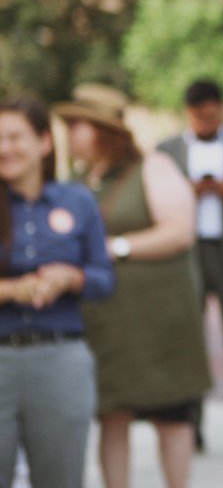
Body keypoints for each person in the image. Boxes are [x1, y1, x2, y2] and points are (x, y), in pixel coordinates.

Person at [54, 84, 208, 488]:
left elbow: (180, 231)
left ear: (104, 130)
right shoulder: (78, 179)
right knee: (112, 415)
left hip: (159, 319)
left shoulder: (153, 168)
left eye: (78, 124)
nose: (70, 133)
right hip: (108, 323)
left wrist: (114, 248)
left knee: (171, 416)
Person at [0, 97, 114, 488]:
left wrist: (71, 278)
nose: (4, 148)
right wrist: (12, 290)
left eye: (15, 137)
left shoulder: (77, 201)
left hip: (61, 359)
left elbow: (105, 279)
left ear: (44, 142)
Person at [158, 79, 223, 457]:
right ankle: (193, 425)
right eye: (197, 115)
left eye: (210, 113)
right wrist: (187, 191)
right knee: (189, 344)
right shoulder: (167, 150)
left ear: (220, 109)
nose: (204, 120)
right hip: (188, 255)